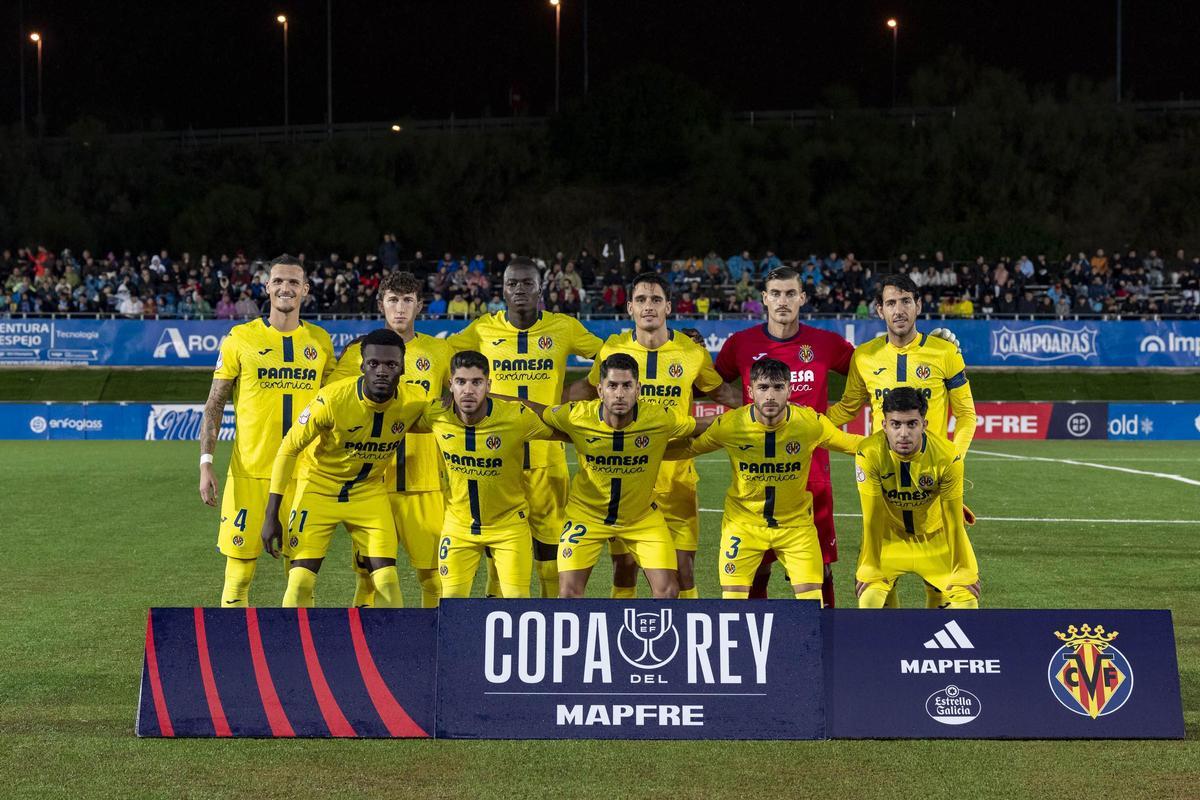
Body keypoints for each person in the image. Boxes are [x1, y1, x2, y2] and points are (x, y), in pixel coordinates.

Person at [446, 256, 603, 597]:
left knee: (549, 545)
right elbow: (437, 353)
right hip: (497, 459)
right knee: (495, 538)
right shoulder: (482, 328)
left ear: (541, 287)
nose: (519, 290)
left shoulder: (563, 327)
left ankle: (547, 617)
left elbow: (608, 357)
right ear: (502, 289)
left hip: (547, 458)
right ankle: (495, 608)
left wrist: (578, 392)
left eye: (527, 283)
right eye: (512, 283)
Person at [826, 274, 978, 608]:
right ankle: (892, 654)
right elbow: (845, 410)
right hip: (885, 479)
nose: (899, 310)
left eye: (906, 301)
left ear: (918, 305)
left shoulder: (945, 353)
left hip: (932, 481)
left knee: (940, 589)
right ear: (879, 309)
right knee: (879, 590)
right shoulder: (864, 357)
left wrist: (955, 457)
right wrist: (807, 424)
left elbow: (967, 415)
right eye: (891, 303)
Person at [573, 274, 725, 599]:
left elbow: (721, 391)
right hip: (626, 482)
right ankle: (621, 640)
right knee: (624, 569)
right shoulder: (613, 349)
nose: (648, 306)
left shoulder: (691, 352)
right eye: (641, 300)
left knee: (683, 573)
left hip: (678, 480)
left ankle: (685, 641)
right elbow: (586, 392)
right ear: (629, 307)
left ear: (668, 306)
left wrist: (769, 412)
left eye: (656, 299)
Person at [505, 354, 703, 599]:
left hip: (640, 517)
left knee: (668, 590)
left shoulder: (659, 418)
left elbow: (701, 427)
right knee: (567, 593)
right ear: (600, 390)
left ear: (638, 389)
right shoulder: (577, 416)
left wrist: (751, 421)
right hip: (586, 516)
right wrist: (487, 398)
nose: (619, 394)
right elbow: (533, 409)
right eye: (612, 386)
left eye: (627, 386)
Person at [198, 255, 336, 607]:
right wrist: (206, 462)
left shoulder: (320, 342)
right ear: (267, 287)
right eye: (278, 281)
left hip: (305, 475)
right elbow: (214, 403)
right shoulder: (240, 339)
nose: (285, 287)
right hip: (251, 473)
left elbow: (335, 404)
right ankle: (233, 655)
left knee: (302, 580)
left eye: (293, 282)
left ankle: (297, 656)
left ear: (305, 289)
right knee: (240, 575)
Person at [713, 267, 854, 604]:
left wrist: (835, 417)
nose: (783, 301)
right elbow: (712, 383)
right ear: (764, 299)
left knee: (821, 569)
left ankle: (825, 639)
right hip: (756, 475)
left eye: (790, 293)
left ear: (802, 298)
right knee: (757, 570)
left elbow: (869, 373)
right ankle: (759, 643)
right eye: (775, 293)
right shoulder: (741, 344)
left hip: (812, 476)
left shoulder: (825, 343)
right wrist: (743, 405)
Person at [260, 329, 429, 607]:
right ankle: (291, 646)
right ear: (362, 365)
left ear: (403, 367)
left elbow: (459, 414)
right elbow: (288, 448)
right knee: (300, 580)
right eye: (374, 364)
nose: (382, 371)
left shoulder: (414, 401)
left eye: (391, 365)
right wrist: (271, 514)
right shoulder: (332, 399)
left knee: (386, 581)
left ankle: (393, 648)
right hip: (319, 489)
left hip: (368, 495)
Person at [670, 358, 862, 599]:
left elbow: (855, 445)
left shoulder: (809, 424)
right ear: (750, 391)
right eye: (763, 388)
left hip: (796, 528)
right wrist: (644, 450)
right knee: (733, 609)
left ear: (789, 390)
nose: (770, 396)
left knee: (812, 608)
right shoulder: (731, 424)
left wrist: (896, 444)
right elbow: (689, 448)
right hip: (743, 526)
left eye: (778, 387)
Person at [328, 272, 455, 608]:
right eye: (393, 300)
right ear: (381, 303)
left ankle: (434, 649)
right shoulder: (358, 352)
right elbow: (332, 400)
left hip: (425, 484)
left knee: (433, 578)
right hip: (371, 485)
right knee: (367, 576)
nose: (400, 308)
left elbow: (461, 399)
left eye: (408, 300)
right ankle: (368, 649)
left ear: (419, 305)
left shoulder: (439, 351)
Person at [419, 351, 564, 599]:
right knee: (451, 605)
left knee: (517, 605)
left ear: (489, 385)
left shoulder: (515, 418)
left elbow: (565, 433)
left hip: (509, 527)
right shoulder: (436, 415)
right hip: (458, 527)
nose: (468, 390)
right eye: (461, 382)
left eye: (476, 382)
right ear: (450, 385)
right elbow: (397, 420)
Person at [854, 387, 980, 609]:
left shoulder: (948, 457)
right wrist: (869, 565)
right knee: (868, 602)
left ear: (924, 424)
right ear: (884, 425)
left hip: (937, 540)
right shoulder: (868, 453)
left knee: (967, 603)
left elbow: (953, 520)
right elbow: (871, 516)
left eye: (911, 424)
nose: (903, 433)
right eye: (896, 424)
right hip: (889, 539)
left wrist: (963, 568)